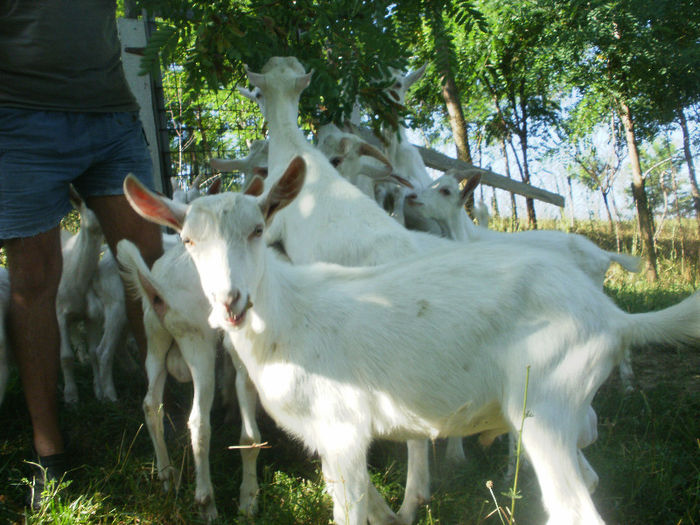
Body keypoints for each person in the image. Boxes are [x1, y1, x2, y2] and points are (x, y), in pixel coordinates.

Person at [0, 0, 163, 507]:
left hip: (110, 115)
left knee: (149, 269)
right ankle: (49, 451)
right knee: (33, 280)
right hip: (19, 118)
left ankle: (170, 420)